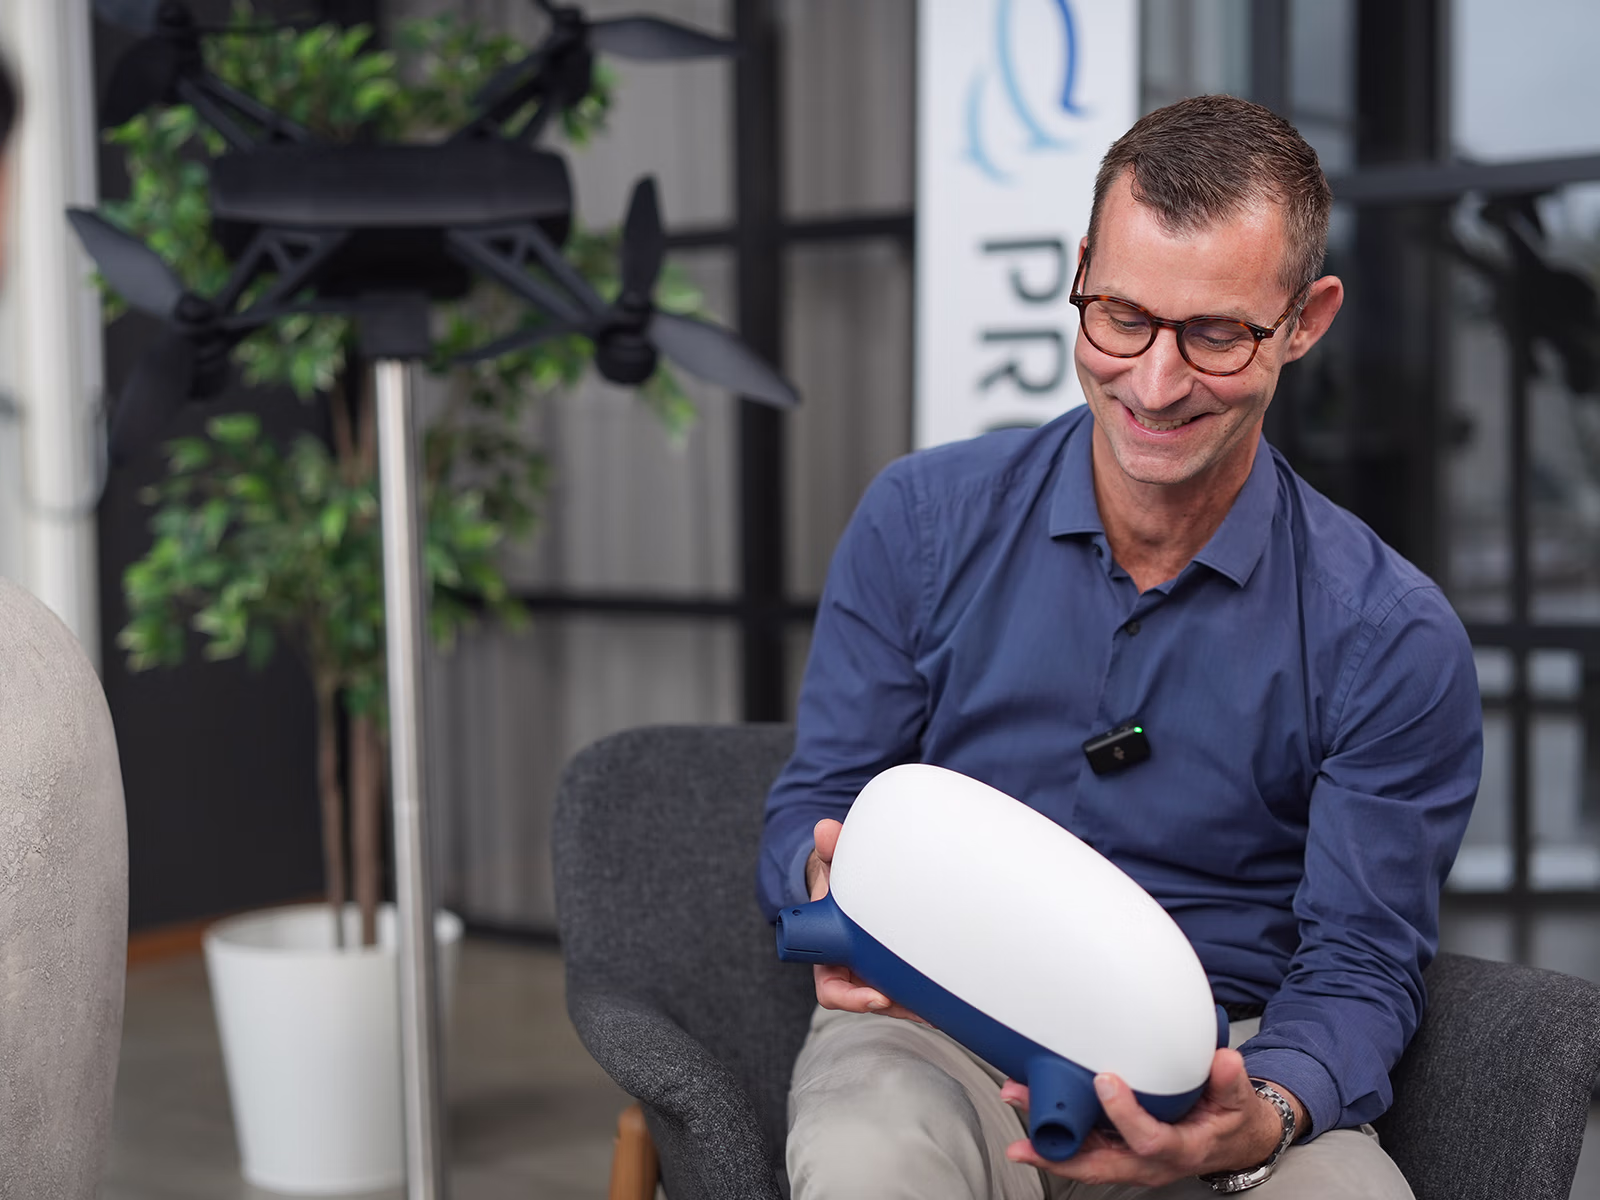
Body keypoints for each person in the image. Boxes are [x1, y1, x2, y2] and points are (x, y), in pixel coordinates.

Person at [757, 94, 1481, 1199]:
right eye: (1123, 316)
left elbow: (1359, 963)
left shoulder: (1391, 637)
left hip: (1225, 1054)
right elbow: (816, 798)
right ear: (1082, 273)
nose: (1153, 382)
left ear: (1304, 320)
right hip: (935, 1025)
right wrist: (823, 877)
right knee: (870, 1161)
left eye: (1216, 334)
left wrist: (1265, 1112)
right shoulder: (919, 521)